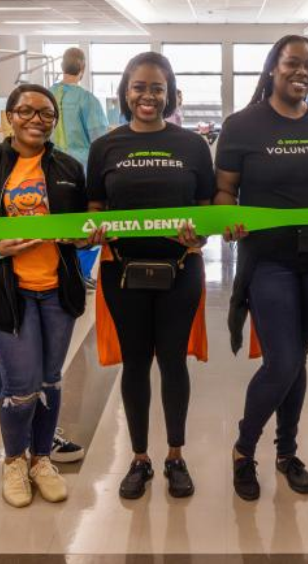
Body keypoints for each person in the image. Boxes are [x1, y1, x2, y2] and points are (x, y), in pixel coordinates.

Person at [0, 84, 94, 508]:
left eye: (46, 114)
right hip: (7, 294)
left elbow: (82, 233)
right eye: (27, 111)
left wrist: (87, 238)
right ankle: (14, 461)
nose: (37, 119)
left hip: (56, 292)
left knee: (51, 380)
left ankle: (41, 460)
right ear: (9, 116)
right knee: (20, 386)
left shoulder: (67, 167)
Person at [215, 35, 308, 501]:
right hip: (269, 262)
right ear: (272, 68)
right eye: (292, 63)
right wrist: (229, 218)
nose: (301, 71)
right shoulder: (243, 125)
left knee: (298, 359)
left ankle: (287, 452)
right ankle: (244, 450)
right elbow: (225, 190)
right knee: (282, 359)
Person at [87, 52, 215, 500]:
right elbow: (94, 210)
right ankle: (139, 458)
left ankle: (175, 456)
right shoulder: (106, 147)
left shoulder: (193, 146)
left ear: (170, 93)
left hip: (181, 271)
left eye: (157, 88)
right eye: (139, 87)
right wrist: (92, 232)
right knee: (136, 363)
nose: (148, 96)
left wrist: (197, 235)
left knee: (174, 362)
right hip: (123, 274)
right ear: (125, 92)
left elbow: (206, 213)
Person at [51, 47, 109, 287]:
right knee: (88, 222)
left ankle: (59, 272)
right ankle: (81, 274)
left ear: (61, 67)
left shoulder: (46, 95)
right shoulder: (87, 100)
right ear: (82, 69)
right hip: (81, 170)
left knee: (57, 223)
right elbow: (100, 142)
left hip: (49, 169)